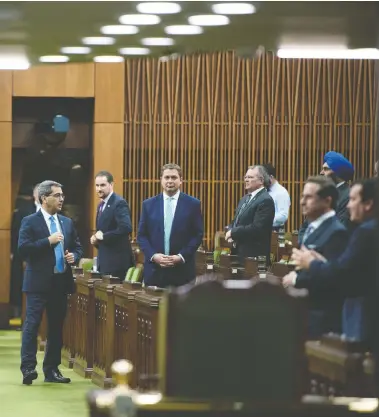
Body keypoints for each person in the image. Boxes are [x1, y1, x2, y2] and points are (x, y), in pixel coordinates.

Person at [283, 178, 377, 343]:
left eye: (353, 199)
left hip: (344, 316)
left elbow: (342, 275)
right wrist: (322, 265)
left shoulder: (357, 232)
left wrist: (310, 265)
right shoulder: (311, 227)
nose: (347, 205)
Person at [18, 180, 82, 385]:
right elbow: (23, 249)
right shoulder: (30, 221)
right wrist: (48, 241)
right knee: (32, 325)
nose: (62, 198)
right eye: (57, 195)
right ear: (44, 198)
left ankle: (51, 370)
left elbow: (78, 247)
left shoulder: (67, 222)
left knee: (56, 327)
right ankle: (28, 368)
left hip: (60, 281)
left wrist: (75, 256)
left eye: (62, 195)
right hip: (37, 282)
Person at [286, 176, 348, 338]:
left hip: (322, 318)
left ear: (327, 201)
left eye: (309, 197)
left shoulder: (336, 232)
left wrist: (295, 279)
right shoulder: (311, 227)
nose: (302, 202)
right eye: (302, 196)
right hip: (306, 312)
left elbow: (332, 277)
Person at [137, 163, 203, 288]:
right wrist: (153, 256)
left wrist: (181, 256)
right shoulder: (148, 204)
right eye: (166, 177)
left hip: (182, 271)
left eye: (174, 177)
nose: (170, 181)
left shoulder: (193, 204)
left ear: (181, 180)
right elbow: (141, 235)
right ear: (161, 180)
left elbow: (197, 235)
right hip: (155, 271)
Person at [298, 151, 354, 242]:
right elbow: (305, 226)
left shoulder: (348, 196)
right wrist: (304, 244)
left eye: (326, 169)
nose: (321, 172)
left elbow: (339, 230)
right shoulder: (322, 193)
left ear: (337, 173)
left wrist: (313, 246)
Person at [225, 165, 275, 265]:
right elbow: (236, 220)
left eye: (250, 177)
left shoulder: (266, 200)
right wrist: (230, 229)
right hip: (238, 253)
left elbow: (257, 228)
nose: (246, 180)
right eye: (245, 177)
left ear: (261, 180)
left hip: (254, 257)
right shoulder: (245, 198)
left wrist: (233, 232)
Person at [90, 171, 134, 280]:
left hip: (117, 264)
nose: (99, 189)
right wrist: (96, 240)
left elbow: (126, 228)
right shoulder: (101, 205)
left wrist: (103, 237)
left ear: (111, 185)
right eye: (97, 185)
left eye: (102, 185)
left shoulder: (119, 203)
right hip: (105, 261)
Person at [10, 183, 41, 317]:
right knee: (22, 285)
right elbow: (15, 234)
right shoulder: (24, 210)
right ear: (34, 195)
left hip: (45, 259)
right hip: (25, 257)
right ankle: (20, 313)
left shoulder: (54, 211)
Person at [262, 163, 291, 230]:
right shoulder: (264, 190)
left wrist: (264, 220)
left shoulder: (281, 192)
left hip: (274, 230)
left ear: (271, 177)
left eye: (263, 178)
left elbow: (283, 215)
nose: (262, 181)